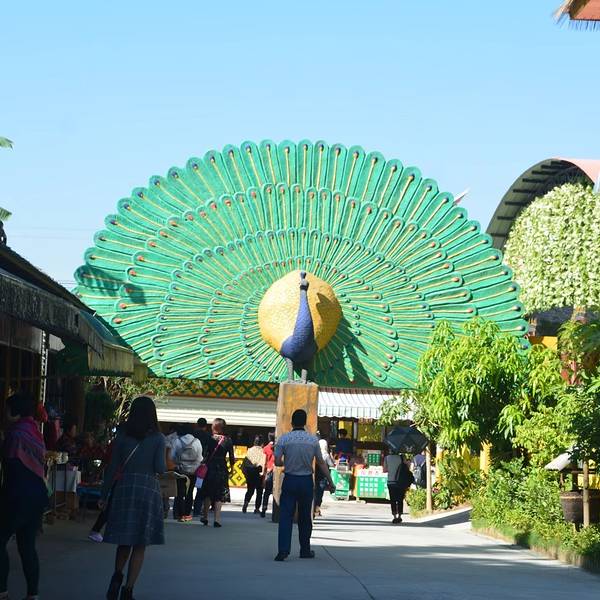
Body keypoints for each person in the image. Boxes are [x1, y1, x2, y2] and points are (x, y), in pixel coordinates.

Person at [101, 396, 166, 600]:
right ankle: (128, 589)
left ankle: (116, 576)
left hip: (125, 488)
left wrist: (104, 494)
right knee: (140, 543)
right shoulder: (158, 438)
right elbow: (160, 468)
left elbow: (113, 467)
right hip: (148, 490)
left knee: (124, 540)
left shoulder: (122, 436)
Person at [0, 392, 49, 600]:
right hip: (37, 496)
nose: (4, 413)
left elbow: (10, 463)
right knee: (27, 547)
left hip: (16, 496)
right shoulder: (34, 432)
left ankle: (2, 591)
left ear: (15, 411)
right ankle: (32, 594)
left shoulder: (15, 434)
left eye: (7, 409)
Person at [274, 410, 335, 562]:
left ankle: (283, 551)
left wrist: (286, 462)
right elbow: (321, 462)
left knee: (286, 516)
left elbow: (277, 461)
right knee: (305, 517)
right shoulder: (312, 440)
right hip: (306, 481)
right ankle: (305, 550)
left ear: (292, 422)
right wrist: (330, 481)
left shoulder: (284, 439)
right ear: (305, 422)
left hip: (290, 480)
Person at [200, 418, 235, 528]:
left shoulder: (209, 439)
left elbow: (204, 454)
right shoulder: (228, 440)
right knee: (219, 494)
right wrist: (232, 469)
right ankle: (217, 519)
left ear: (213, 427)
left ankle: (205, 517)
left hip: (210, 467)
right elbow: (232, 457)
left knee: (207, 493)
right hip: (222, 468)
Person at [170, 424, 203, 522]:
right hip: (193, 471)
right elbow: (200, 458)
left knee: (179, 492)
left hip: (180, 470)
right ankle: (187, 514)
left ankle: (178, 514)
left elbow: (172, 456)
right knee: (190, 492)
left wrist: (178, 463)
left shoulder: (177, 441)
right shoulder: (197, 441)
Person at [383, 451, 414, 524]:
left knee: (393, 500)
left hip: (391, 482)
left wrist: (391, 469)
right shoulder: (401, 457)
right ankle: (399, 516)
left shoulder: (387, 458)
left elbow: (384, 470)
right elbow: (407, 468)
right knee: (400, 499)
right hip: (401, 481)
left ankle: (394, 516)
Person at [193, 418, 215, 515]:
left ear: (197, 425)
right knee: (200, 488)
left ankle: (183, 508)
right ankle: (197, 509)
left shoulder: (192, 434)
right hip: (202, 464)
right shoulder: (208, 436)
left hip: (189, 463)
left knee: (187, 488)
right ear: (206, 426)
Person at [242, 435, 266, 514]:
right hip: (258, 473)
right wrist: (263, 474)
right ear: (262, 443)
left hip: (250, 472)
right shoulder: (263, 451)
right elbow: (263, 463)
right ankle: (257, 508)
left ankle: (246, 503)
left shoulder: (250, 450)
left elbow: (245, 462)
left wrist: (245, 472)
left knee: (250, 490)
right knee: (259, 492)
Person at [314, 434, 334, 518]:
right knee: (319, 494)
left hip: (315, 476)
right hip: (323, 477)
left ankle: (314, 509)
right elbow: (331, 464)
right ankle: (317, 509)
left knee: (314, 493)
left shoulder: (315, 454)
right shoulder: (326, 455)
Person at [260, 432, 275, 518]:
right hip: (277, 471)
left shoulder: (265, 448)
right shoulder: (279, 447)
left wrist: (263, 474)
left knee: (266, 492)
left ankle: (264, 508)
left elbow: (264, 462)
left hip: (269, 471)